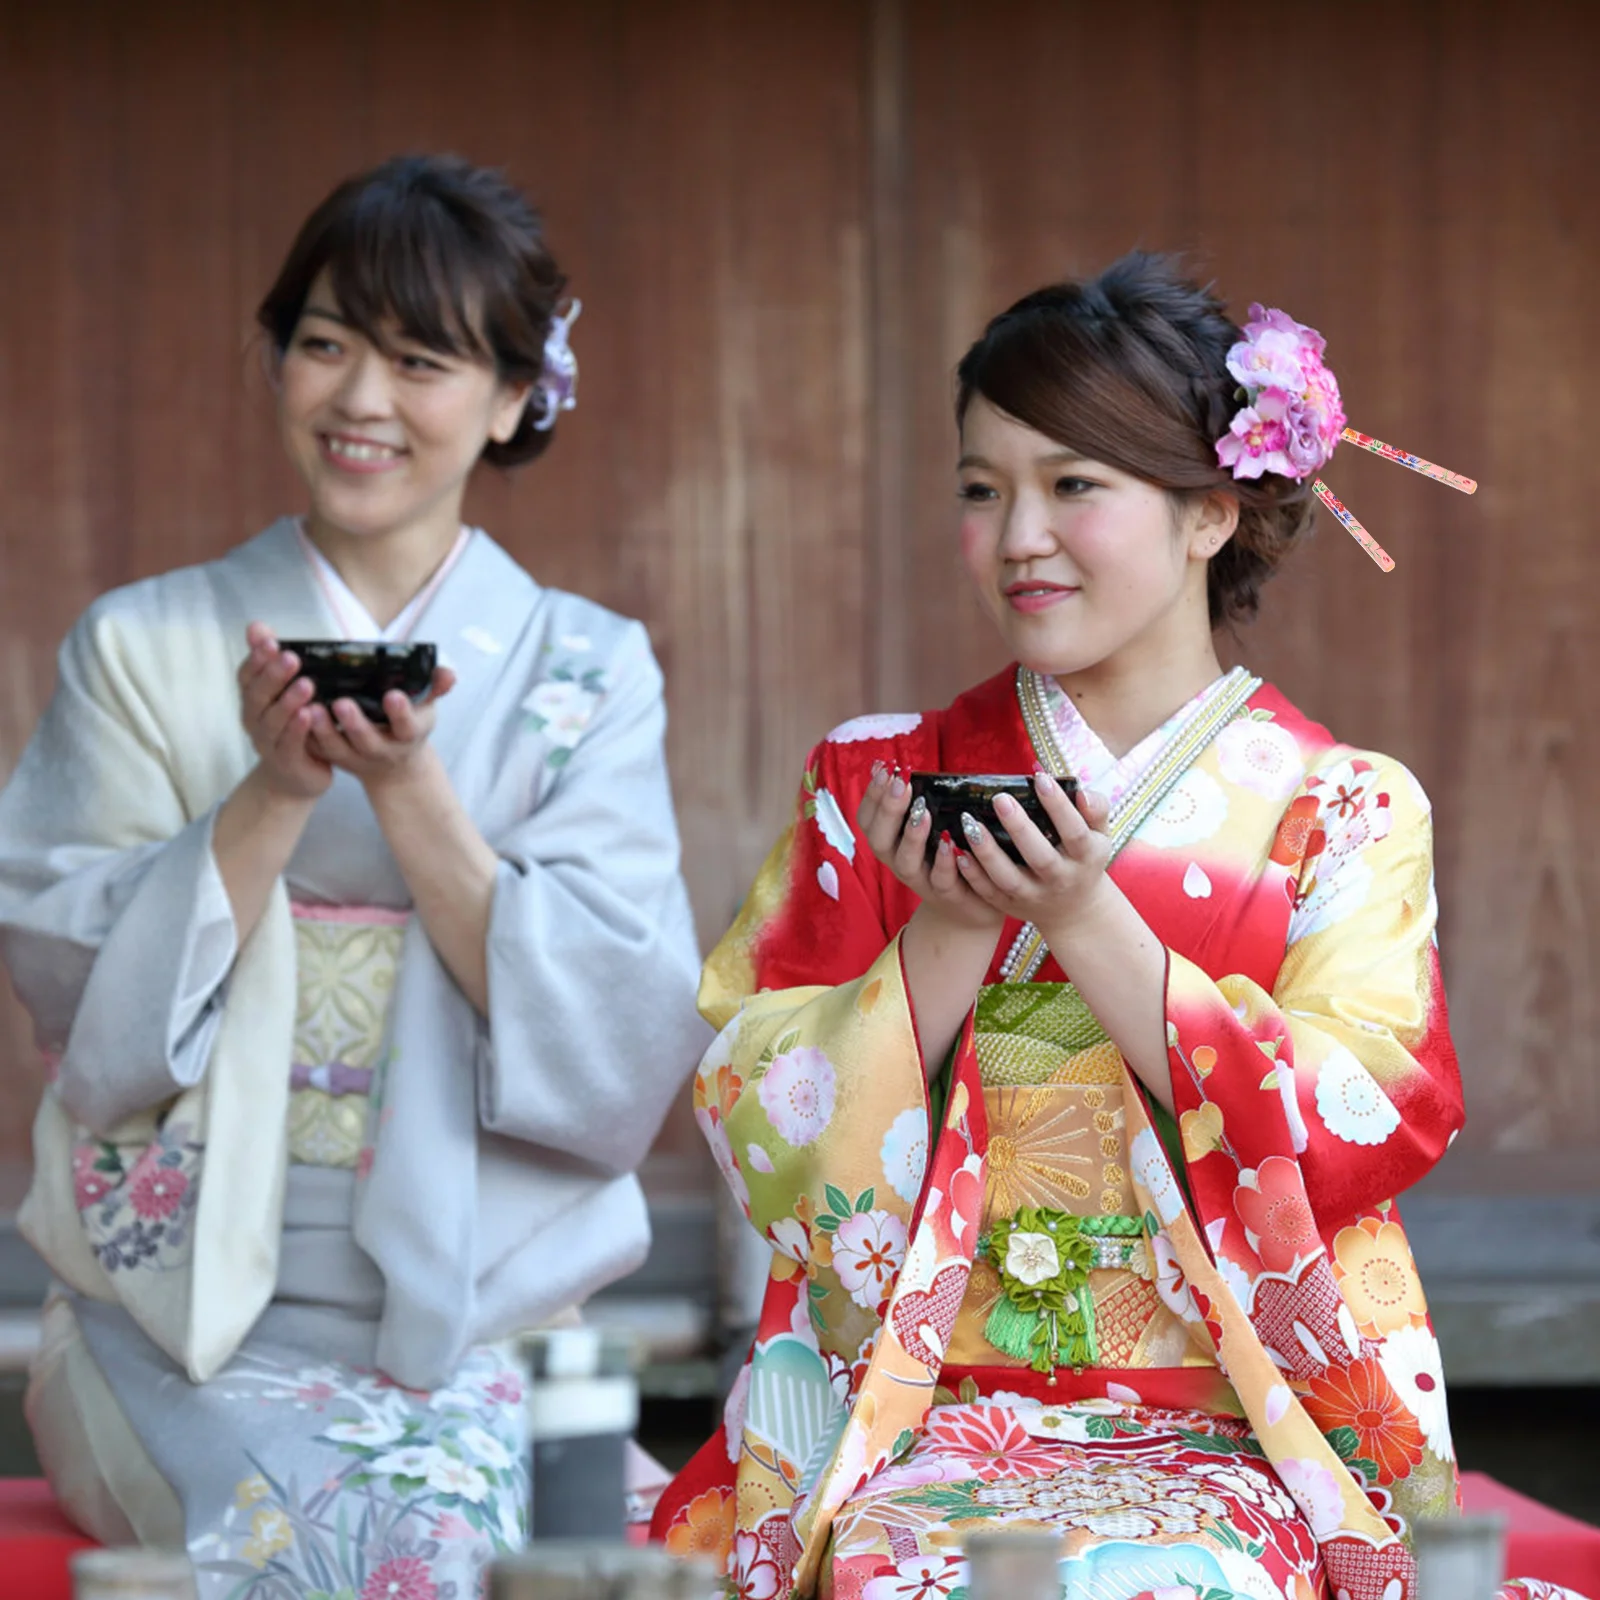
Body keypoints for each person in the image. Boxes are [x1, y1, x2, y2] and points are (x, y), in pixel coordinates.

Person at [652, 255, 1581, 1600]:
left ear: (1211, 512)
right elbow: (754, 1104)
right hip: (910, 1413)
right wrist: (948, 932)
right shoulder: (873, 784)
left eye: (1073, 484)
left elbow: (1370, 1112)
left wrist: (1087, 919)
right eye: (982, 490)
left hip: (1241, 1427)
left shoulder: (1339, 809)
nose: (1018, 535)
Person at [0, 153, 705, 1595]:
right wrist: (270, 795)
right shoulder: (142, 646)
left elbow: (622, 1036)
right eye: (325, 344)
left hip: (481, 1328)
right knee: (376, 1540)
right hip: (176, 1329)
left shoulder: (585, 670)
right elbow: (74, 998)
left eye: (420, 360)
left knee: (523, 1541)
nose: (361, 399)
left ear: (513, 397)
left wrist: (409, 792)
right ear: (277, 360)